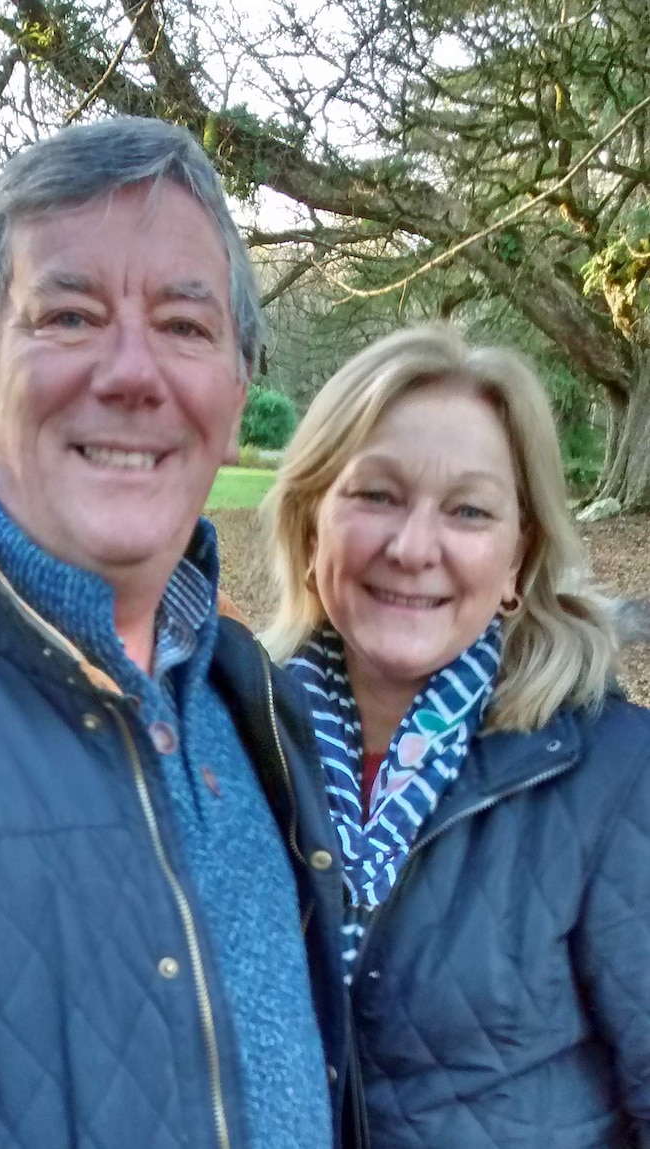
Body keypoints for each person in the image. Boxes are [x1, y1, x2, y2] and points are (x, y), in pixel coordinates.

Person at [0, 118, 350, 1149]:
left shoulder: (249, 698)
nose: (134, 373)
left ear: (235, 391)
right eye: (70, 315)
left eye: (185, 328)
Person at [262, 324, 650, 1149]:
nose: (413, 548)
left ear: (518, 557)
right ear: (309, 525)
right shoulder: (232, 745)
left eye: (469, 510)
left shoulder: (617, 775)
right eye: (376, 495)